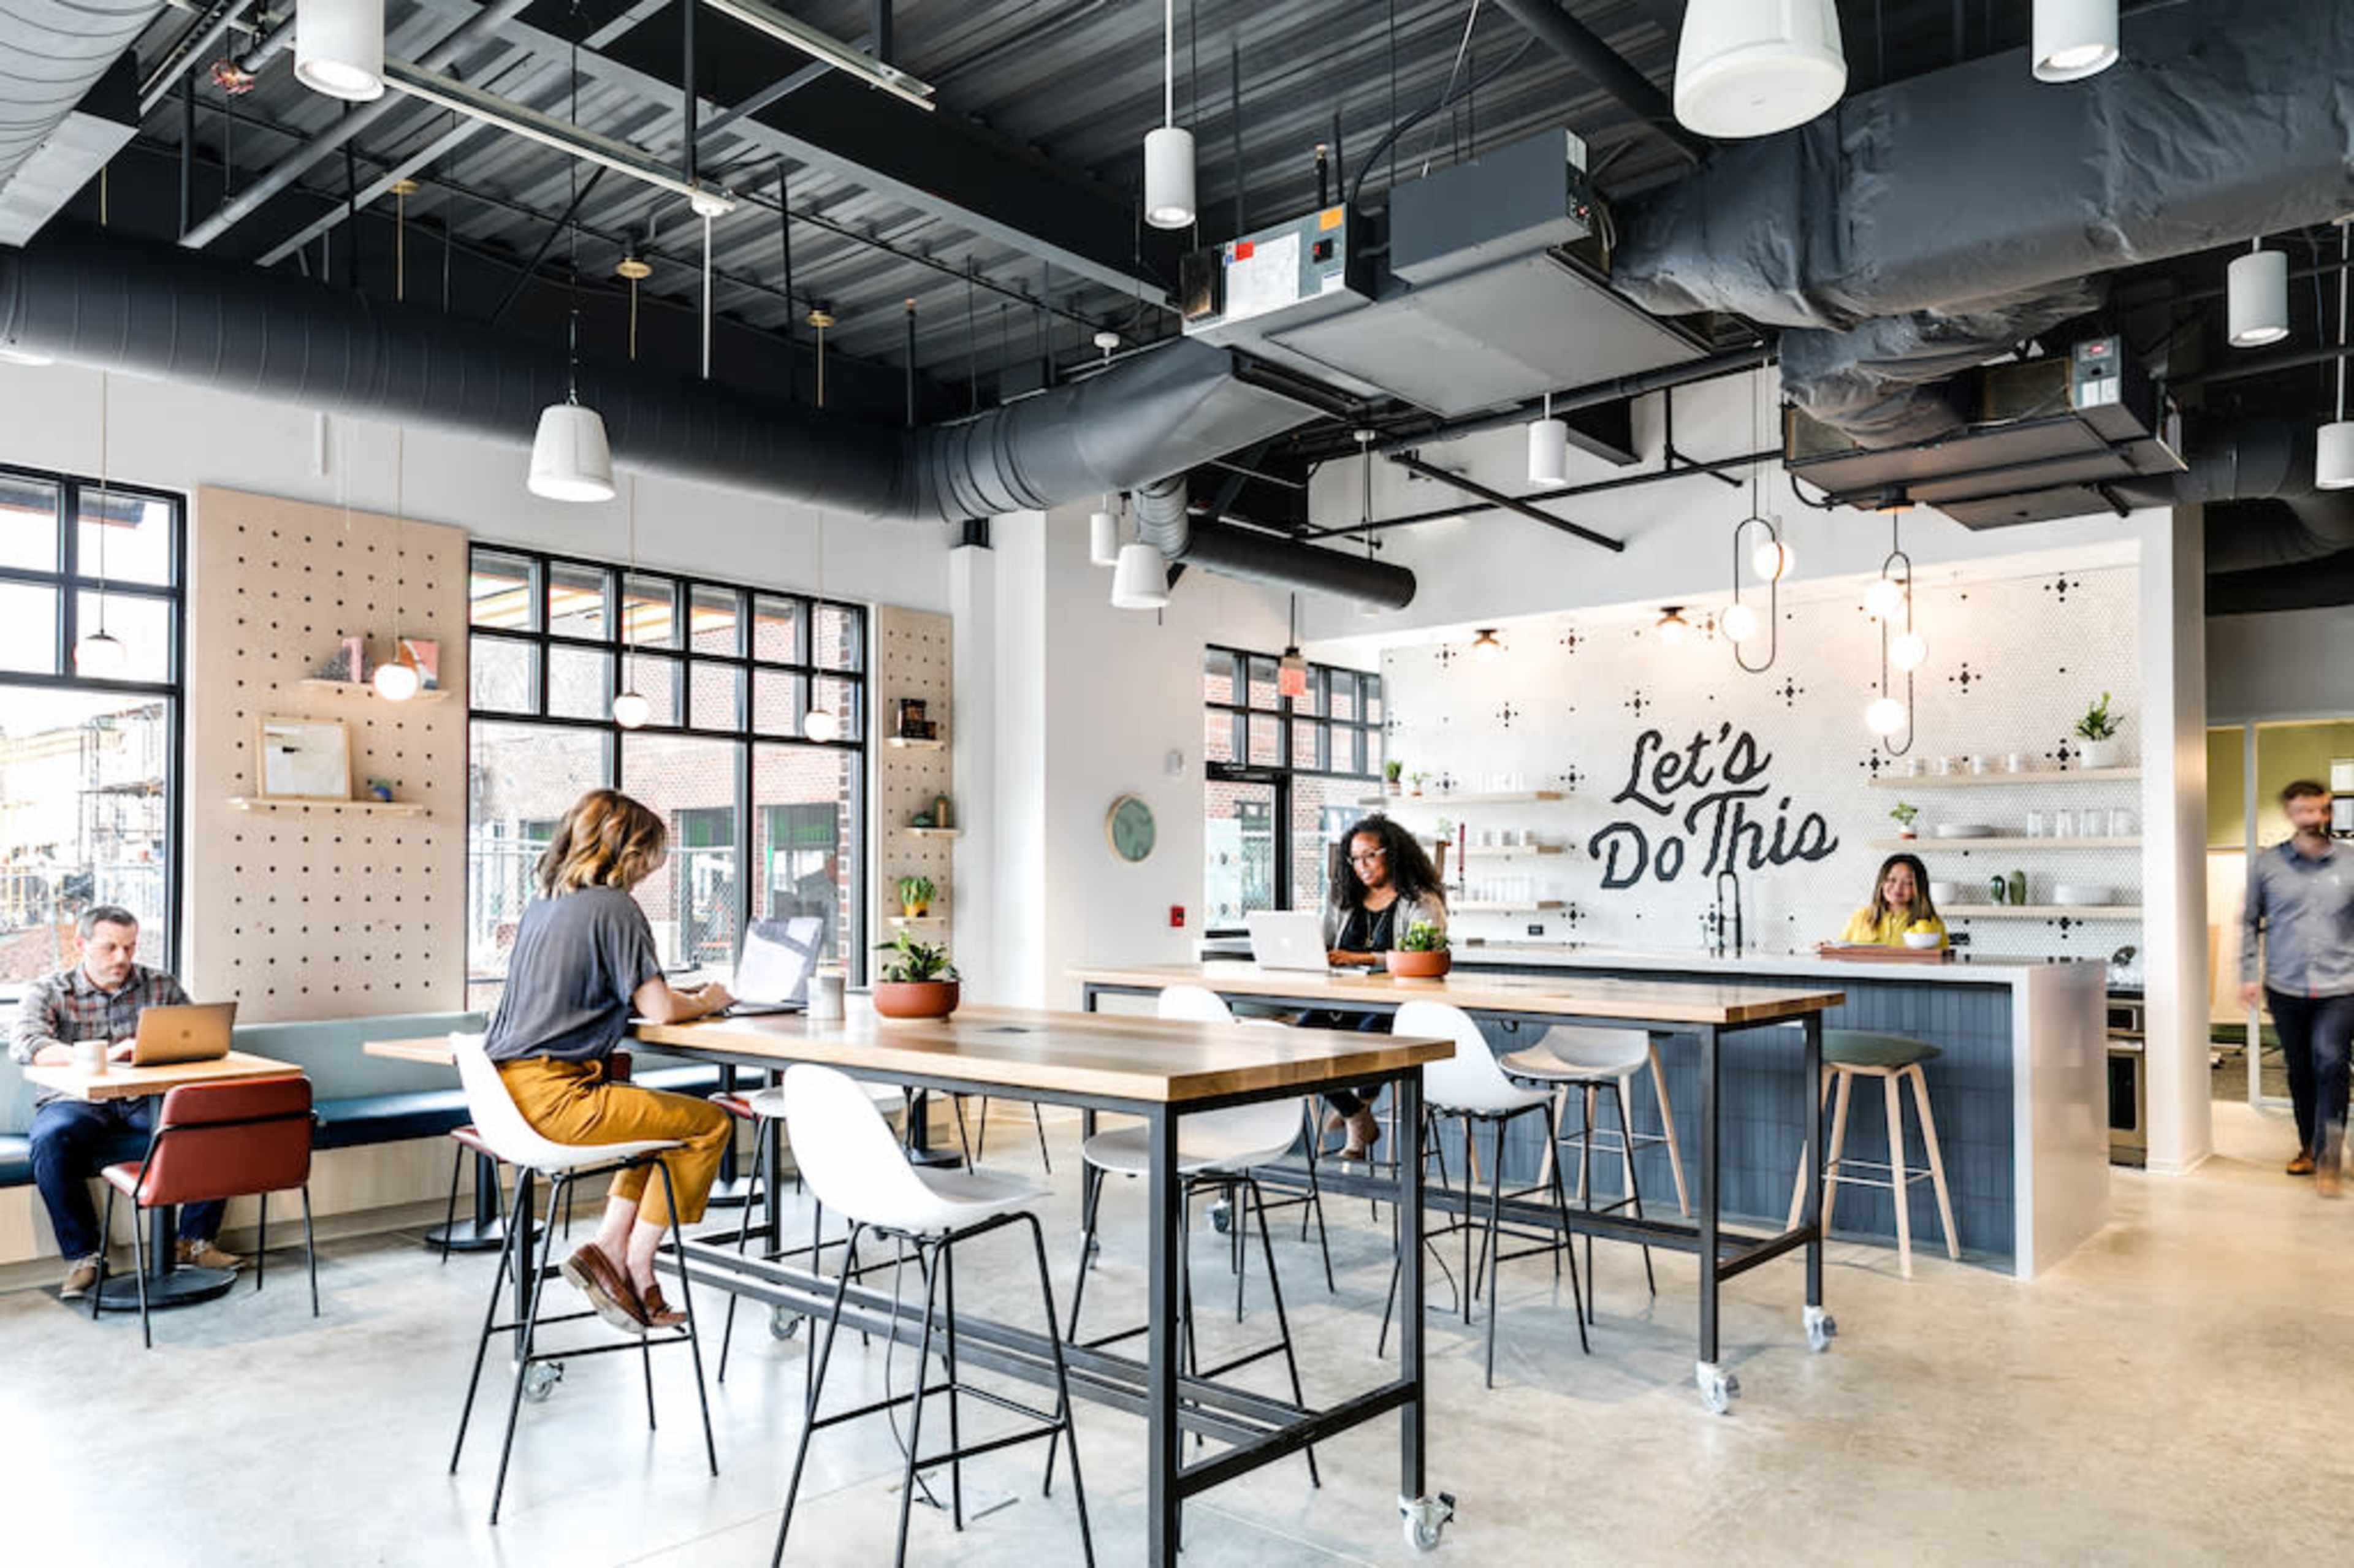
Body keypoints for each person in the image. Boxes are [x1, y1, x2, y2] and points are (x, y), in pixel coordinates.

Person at [483, 789, 738, 1331]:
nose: (652, 869)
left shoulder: (544, 906)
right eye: (649, 855)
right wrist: (709, 1000)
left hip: (511, 1097)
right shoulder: (615, 907)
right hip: (559, 1099)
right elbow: (661, 1010)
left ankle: (608, 1251)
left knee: (658, 1129)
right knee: (710, 1124)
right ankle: (637, 1261)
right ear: (628, 850)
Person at [8, 906, 241, 1299]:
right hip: (74, 1101)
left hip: (144, 1100)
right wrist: (109, 1054)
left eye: (130, 948)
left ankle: (194, 1242)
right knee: (50, 1141)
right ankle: (85, 1257)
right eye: (110, 947)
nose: (122, 959)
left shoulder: (160, 985)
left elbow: (197, 1033)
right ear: (81, 945)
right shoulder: (48, 990)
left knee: (213, 1122)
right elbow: (28, 1046)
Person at [2240, 779, 2354, 1197]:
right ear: (2290, 813)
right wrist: (2249, 973)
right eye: (2305, 811)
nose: (2315, 818)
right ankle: (2309, 1146)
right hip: (2285, 985)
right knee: (2301, 1071)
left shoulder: (2350, 862)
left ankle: (2329, 1156)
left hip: (2341, 985)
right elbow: (2250, 921)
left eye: (2321, 810)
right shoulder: (2267, 865)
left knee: (2331, 1062)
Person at [1314, 815, 1449, 1160]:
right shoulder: (1344, 899)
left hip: (1397, 1007)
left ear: (1394, 853)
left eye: (1370, 855)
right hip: (1344, 999)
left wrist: (1361, 958)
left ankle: (1356, 1114)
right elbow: (1321, 942)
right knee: (1300, 1041)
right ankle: (1356, 1112)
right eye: (1355, 859)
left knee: (1368, 1035)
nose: (1362, 866)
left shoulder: (1421, 901)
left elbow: (1421, 955)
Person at [1823, 853, 1948, 950]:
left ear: (1919, 888)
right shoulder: (1861, 917)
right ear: (1881, 882)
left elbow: (1943, 965)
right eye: (1891, 880)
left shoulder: (1933, 923)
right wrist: (1828, 948)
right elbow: (1842, 952)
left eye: (1908, 883)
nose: (1898, 888)